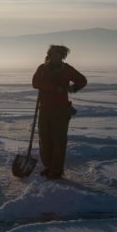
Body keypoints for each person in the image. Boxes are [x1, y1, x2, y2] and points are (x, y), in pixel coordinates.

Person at [31, 45, 87, 179]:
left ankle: (56, 171)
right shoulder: (42, 68)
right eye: (53, 54)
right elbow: (35, 83)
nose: (56, 57)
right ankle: (48, 166)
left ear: (62, 56)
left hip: (61, 111)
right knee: (45, 140)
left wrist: (72, 89)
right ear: (49, 55)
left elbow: (82, 80)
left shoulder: (67, 69)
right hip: (44, 109)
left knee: (59, 141)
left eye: (59, 55)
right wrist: (55, 88)